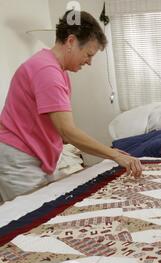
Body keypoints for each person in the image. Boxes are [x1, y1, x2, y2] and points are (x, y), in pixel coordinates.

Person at [0, 10, 142, 203]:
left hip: (38, 156)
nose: (89, 62)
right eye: (88, 54)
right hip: (20, 158)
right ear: (71, 42)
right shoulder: (47, 72)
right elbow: (67, 130)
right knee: (33, 220)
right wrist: (114, 155)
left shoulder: (55, 70)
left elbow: (56, 127)